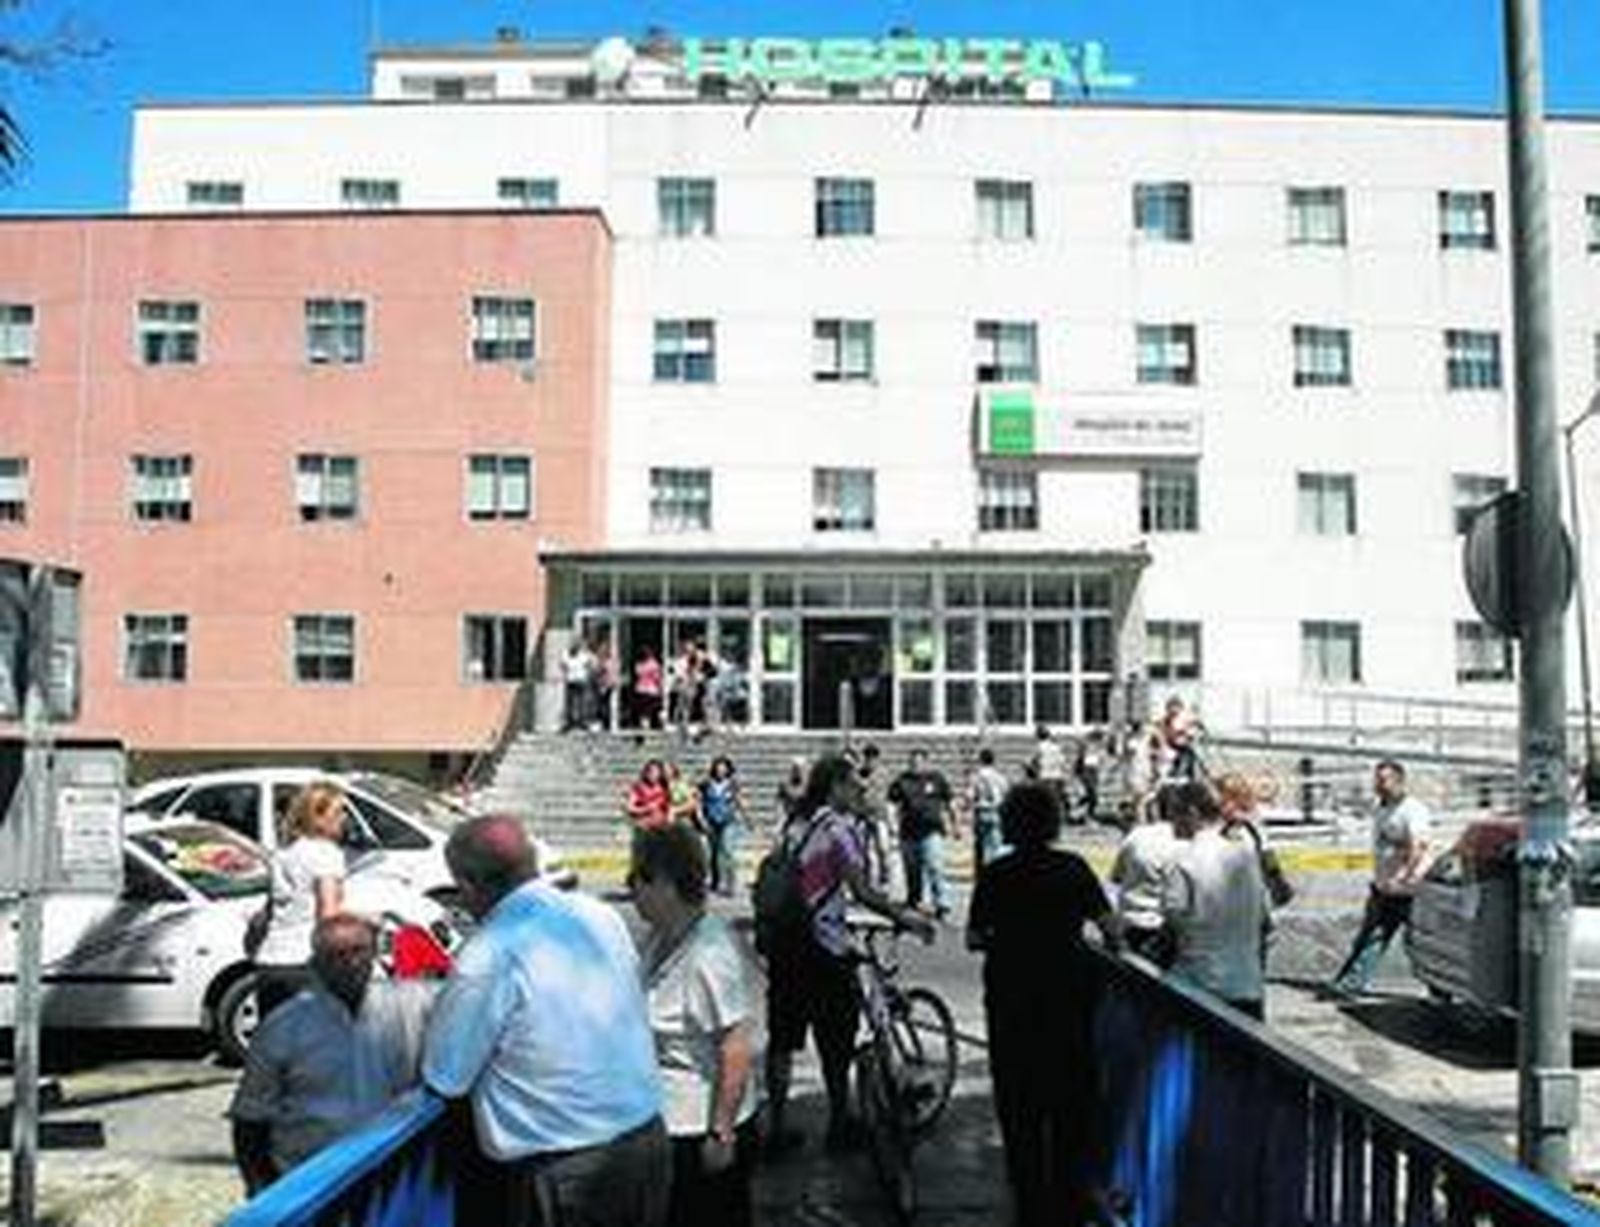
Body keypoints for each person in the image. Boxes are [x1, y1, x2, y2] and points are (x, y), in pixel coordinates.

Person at [423, 816, 668, 1227]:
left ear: (468, 885)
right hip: (644, 1142)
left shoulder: (489, 953)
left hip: (569, 1168)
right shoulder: (598, 914)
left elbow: (447, 1075)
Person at [764, 754, 935, 1156]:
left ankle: (777, 1127)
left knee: (782, 1041)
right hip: (823, 948)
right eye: (854, 785)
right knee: (836, 1040)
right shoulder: (839, 830)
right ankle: (840, 1121)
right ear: (836, 786)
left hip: (785, 943)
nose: (860, 791)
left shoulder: (794, 824)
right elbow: (862, 891)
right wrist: (904, 917)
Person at [966, 780, 1117, 1227]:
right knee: (1070, 1112)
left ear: (1010, 823)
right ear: (1053, 822)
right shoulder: (1073, 868)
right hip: (1068, 1003)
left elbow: (974, 937)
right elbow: (1110, 925)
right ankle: (1067, 1205)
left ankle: (1029, 1206)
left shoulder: (996, 873)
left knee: (1020, 1115)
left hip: (1012, 1005)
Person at [230, 914, 433, 1194]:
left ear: (374, 953)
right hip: (310, 1182)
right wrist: (261, 1191)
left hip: (395, 1179)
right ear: (316, 964)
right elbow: (250, 1117)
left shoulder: (414, 1007)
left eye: (359, 951)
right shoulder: (284, 1026)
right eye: (337, 955)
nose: (351, 963)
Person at [629, 825, 760, 1227]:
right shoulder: (659, 938)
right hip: (666, 1119)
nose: (631, 889)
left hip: (698, 1126)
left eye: (638, 878)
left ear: (666, 883)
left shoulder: (709, 952)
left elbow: (736, 1045)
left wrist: (721, 1133)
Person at [1162, 780, 1267, 1019]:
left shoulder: (1183, 861)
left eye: (1173, 814)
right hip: (1247, 987)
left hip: (1199, 987)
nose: (1170, 823)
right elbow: (1263, 916)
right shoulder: (1246, 856)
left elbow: (1173, 923)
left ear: (1192, 812)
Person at [1328, 760, 1433, 998]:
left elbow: (1419, 847)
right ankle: (1351, 983)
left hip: (1411, 890)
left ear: (1399, 781)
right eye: (1377, 780)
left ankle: (1439, 989)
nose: (1378, 785)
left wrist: (1404, 876)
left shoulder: (1413, 810)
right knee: (1371, 937)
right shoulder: (1381, 808)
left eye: (1383, 780)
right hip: (1384, 888)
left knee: (1420, 943)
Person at [252, 782, 348, 1020]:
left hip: (270, 964)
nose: (344, 818)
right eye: (338, 812)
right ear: (317, 817)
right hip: (306, 962)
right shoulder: (327, 854)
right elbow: (328, 915)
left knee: (275, 1037)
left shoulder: (283, 854)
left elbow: (269, 912)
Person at [1109, 783, 1182, 968]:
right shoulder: (1185, 842)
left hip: (1131, 922)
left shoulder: (1137, 836)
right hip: (1164, 929)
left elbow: (1116, 877)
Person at [886, 748, 956, 919]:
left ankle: (942, 903)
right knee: (912, 869)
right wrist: (892, 825)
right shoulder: (901, 781)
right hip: (908, 832)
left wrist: (955, 823)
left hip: (931, 830)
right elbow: (891, 803)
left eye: (918, 762)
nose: (915, 765)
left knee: (935, 866)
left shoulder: (936, 779)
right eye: (912, 762)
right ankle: (914, 900)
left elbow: (949, 801)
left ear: (926, 762)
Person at [698, 756, 749, 897]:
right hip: (711, 821)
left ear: (728, 770)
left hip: (728, 821)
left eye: (723, 768)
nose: (720, 771)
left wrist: (747, 818)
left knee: (727, 850)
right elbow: (699, 801)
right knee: (713, 853)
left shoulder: (732, 785)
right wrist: (701, 819)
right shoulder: (706, 784)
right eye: (718, 768)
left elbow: (739, 801)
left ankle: (730, 884)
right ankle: (715, 880)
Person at [967, 747, 1008, 878]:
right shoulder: (1000, 777)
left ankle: (983, 874)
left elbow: (970, 795)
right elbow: (1005, 794)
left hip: (982, 812)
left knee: (981, 845)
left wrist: (970, 807)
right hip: (996, 812)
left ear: (980, 760)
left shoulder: (976, 777)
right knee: (996, 845)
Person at [1159, 696, 1201, 782]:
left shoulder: (1185, 718)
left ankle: (1185, 777)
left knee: (1186, 761)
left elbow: (1194, 729)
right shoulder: (1165, 721)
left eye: (1176, 708)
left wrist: (1188, 732)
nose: (1173, 711)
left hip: (1183, 750)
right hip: (1171, 749)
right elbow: (1162, 734)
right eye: (1170, 709)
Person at [1030, 724, 1069, 815]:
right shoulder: (1056, 747)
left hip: (1045, 776)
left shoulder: (1040, 747)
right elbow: (1063, 761)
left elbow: (1034, 761)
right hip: (1058, 776)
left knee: (1044, 799)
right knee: (1058, 798)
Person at [625, 759, 673, 831]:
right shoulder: (638, 788)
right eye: (650, 771)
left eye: (656, 771)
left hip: (663, 828)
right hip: (645, 828)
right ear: (646, 773)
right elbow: (630, 808)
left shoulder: (664, 787)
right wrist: (646, 809)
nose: (653, 774)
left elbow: (669, 804)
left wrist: (670, 815)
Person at [563, 639, 598, 733]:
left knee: (581, 702)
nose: (574, 648)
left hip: (581, 680)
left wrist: (587, 673)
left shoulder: (583, 655)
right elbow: (563, 665)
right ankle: (570, 721)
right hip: (570, 680)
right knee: (570, 702)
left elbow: (591, 663)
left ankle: (581, 721)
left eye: (576, 646)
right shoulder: (566, 654)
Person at [634, 647, 664, 730]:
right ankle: (660, 723)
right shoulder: (654, 664)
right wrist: (661, 686)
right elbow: (657, 677)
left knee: (644, 711)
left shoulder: (639, 664)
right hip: (652, 690)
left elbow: (637, 674)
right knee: (657, 708)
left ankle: (645, 727)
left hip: (641, 689)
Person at [775, 756, 808, 827]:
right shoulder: (784, 785)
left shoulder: (809, 786)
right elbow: (779, 803)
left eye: (800, 769)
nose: (797, 772)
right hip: (788, 817)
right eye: (795, 769)